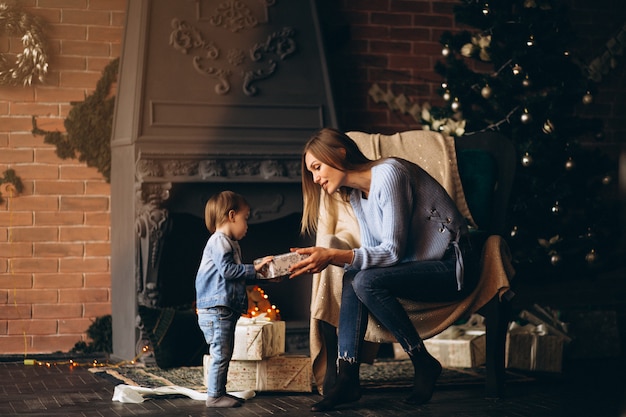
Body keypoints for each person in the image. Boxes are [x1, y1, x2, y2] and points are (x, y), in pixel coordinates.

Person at [289, 128, 477, 412]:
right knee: (356, 276)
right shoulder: (356, 195)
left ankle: (422, 362)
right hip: (419, 267)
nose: (315, 178)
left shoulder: (389, 174)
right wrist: (330, 258)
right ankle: (347, 378)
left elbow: (391, 252)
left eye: (317, 167)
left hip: (453, 266)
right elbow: (373, 255)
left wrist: (331, 255)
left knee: (363, 281)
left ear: (339, 152)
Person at [195, 190, 273, 408]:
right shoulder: (220, 241)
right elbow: (230, 271)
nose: (247, 225)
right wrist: (254, 268)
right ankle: (215, 396)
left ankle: (218, 393)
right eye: (245, 219)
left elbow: (235, 277)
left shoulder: (227, 243)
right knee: (221, 354)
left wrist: (264, 277)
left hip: (222, 309)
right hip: (217, 309)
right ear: (231, 216)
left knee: (224, 353)